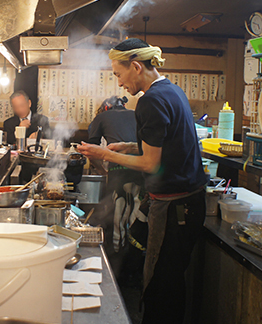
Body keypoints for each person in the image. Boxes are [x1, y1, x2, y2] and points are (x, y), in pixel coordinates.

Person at [78, 38, 207, 324]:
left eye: (119, 74)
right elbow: (167, 146)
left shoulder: (150, 99)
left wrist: (103, 154)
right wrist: (127, 146)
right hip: (190, 203)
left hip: (174, 208)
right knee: (169, 284)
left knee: (159, 289)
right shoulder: (172, 91)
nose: (120, 83)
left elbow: (151, 163)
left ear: (136, 67)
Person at [87, 95, 143, 253]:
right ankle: (134, 263)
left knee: (115, 217)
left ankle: (115, 262)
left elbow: (91, 151)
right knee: (134, 216)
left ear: (106, 107)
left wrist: (101, 170)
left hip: (118, 173)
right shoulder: (137, 115)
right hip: (142, 171)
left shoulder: (102, 117)